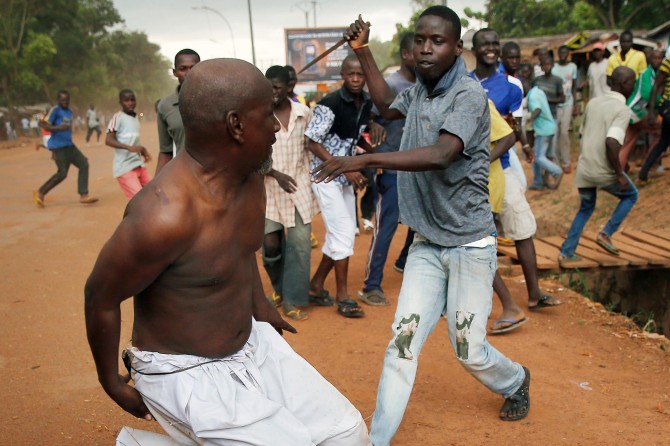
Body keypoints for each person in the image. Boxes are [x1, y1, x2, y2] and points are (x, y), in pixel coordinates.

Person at [85, 59, 371, 445]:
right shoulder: (163, 216)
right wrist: (111, 382)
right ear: (236, 125)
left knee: (347, 435)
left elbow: (241, 251)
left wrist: (260, 305)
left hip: (250, 344)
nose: (276, 125)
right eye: (267, 113)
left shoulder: (249, 179)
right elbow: (100, 296)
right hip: (183, 371)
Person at [314, 8, 532, 444]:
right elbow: (383, 105)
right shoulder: (418, 93)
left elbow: (441, 154)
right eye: (421, 40)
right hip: (427, 246)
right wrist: (362, 50)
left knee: (467, 347)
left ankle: (514, 380)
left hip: (470, 244)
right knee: (402, 343)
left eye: (438, 41)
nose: (426, 48)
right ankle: (377, 440)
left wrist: (363, 158)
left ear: (457, 48)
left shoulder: (468, 96)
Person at [305, 55, 373, 318]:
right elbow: (312, 141)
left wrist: (366, 153)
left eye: (360, 75)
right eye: (350, 75)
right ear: (342, 76)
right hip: (324, 174)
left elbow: (358, 136)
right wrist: (347, 167)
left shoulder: (366, 102)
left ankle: (316, 285)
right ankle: (342, 296)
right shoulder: (329, 103)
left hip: (344, 174)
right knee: (344, 231)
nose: (355, 79)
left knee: (340, 233)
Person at [358, 31, 415, 307]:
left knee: (420, 223)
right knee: (386, 227)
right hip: (391, 166)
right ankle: (371, 285)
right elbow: (364, 110)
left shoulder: (429, 86)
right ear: (406, 54)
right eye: (420, 50)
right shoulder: (391, 84)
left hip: (420, 167)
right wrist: (372, 123)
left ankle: (404, 261)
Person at [558, 67, 638, 264]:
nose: (634, 86)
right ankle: (606, 232)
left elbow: (584, 132)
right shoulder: (622, 109)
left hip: (585, 168)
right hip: (603, 169)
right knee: (631, 194)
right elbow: (612, 142)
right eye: (632, 82)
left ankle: (566, 253)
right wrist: (619, 173)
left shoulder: (593, 103)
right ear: (623, 84)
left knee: (585, 208)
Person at [261, 66, 318, 321]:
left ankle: (293, 299)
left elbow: (312, 146)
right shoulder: (259, 116)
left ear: (288, 88)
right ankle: (279, 289)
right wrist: (274, 173)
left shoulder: (303, 113)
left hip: (299, 188)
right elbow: (252, 155)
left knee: (300, 247)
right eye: (268, 87)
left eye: (276, 87)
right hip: (269, 190)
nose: (272, 92)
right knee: (271, 246)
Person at [33, 90, 98, 207]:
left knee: (84, 164)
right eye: (63, 100)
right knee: (62, 174)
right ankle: (40, 192)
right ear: (58, 100)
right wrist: (58, 128)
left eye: (67, 100)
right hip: (58, 147)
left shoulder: (69, 111)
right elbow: (42, 124)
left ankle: (84, 195)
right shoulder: (55, 110)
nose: (65, 102)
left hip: (69, 145)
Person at [286, 64, 319, 249]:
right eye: (287, 79)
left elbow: (309, 134)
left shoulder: (300, 102)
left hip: (299, 167)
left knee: (301, 215)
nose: (291, 82)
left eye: (293, 79)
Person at [155, 48, 200, 174]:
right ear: (175, 72)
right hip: (185, 177)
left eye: (193, 67)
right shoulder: (165, 106)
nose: (188, 73)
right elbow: (165, 152)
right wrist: (155, 187)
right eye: (182, 68)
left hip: (218, 180)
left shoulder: (218, 100)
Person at [105, 89, 153, 199]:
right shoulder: (118, 117)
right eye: (126, 100)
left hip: (138, 164)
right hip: (125, 168)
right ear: (120, 102)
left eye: (132, 100)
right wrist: (128, 147)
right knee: (138, 201)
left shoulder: (135, 118)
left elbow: (133, 141)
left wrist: (142, 150)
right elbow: (108, 140)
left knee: (154, 193)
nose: (130, 103)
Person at [620, 49, 664, 170]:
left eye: (659, 58)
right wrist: (663, 100)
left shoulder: (657, 74)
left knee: (629, 141)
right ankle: (650, 164)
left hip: (632, 111)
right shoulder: (646, 74)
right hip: (636, 110)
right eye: (654, 58)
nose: (657, 60)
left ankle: (617, 171)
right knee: (661, 132)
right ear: (649, 59)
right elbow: (648, 95)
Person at [637, 53, 670, 184]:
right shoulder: (668, 63)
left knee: (664, 141)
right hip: (668, 103)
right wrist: (651, 112)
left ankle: (643, 173)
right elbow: (656, 86)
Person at [526, 76, 563, 190]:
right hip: (550, 126)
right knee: (540, 156)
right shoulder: (538, 91)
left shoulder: (532, 96)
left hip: (543, 129)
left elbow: (537, 109)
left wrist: (529, 120)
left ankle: (557, 172)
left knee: (538, 157)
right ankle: (538, 182)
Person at [552, 45, 579, 173]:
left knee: (564, 132)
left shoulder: (572, 66)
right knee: (555, 133)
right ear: (558, 54)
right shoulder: (554, 67)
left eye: (565, 53)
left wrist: (576, 104)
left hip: (568, 103)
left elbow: (574, 86)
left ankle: (567, 161)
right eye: (560, 52)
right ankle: (556, 162)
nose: (562, 55)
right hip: (556, 104)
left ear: (568, 54)